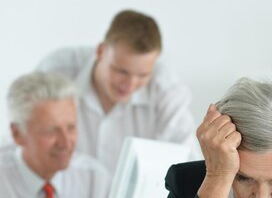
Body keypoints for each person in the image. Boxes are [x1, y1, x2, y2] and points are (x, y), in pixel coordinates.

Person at [36, 9, 195, 173]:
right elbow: (23, 143)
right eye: (121, 71)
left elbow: (185, 161)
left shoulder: (166, 90)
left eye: (143, 75)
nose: (130, 84)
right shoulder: (55, 73)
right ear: (100, 51)